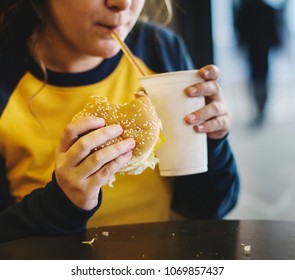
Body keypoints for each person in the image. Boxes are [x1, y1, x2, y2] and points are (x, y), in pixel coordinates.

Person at [0, 0, 239, 242]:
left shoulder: (159, 49)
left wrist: (210, 143)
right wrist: (61, 205)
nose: (122, 3)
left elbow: (210, 209)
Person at [234, 0, 282, 126]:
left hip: (254, 48)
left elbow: (240, 28)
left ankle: (260, 105)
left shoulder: (247, 8)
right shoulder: (266, 8)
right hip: (262, 48)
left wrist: (241, 43)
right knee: (262, 77)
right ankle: (261, 105)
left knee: (256, 77)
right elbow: (274, 29)